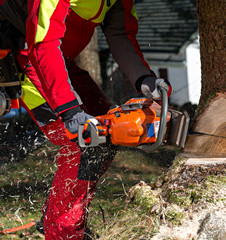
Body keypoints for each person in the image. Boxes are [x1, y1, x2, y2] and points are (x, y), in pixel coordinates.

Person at [0, 0, 171, 239]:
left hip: (59, 59)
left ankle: (60, 218)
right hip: (26, 56)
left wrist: (144, 78)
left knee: (108, 129)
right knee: (84, 142)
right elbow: (43, 43)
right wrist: (70, 111)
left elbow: (121, 33)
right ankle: (62, 232)